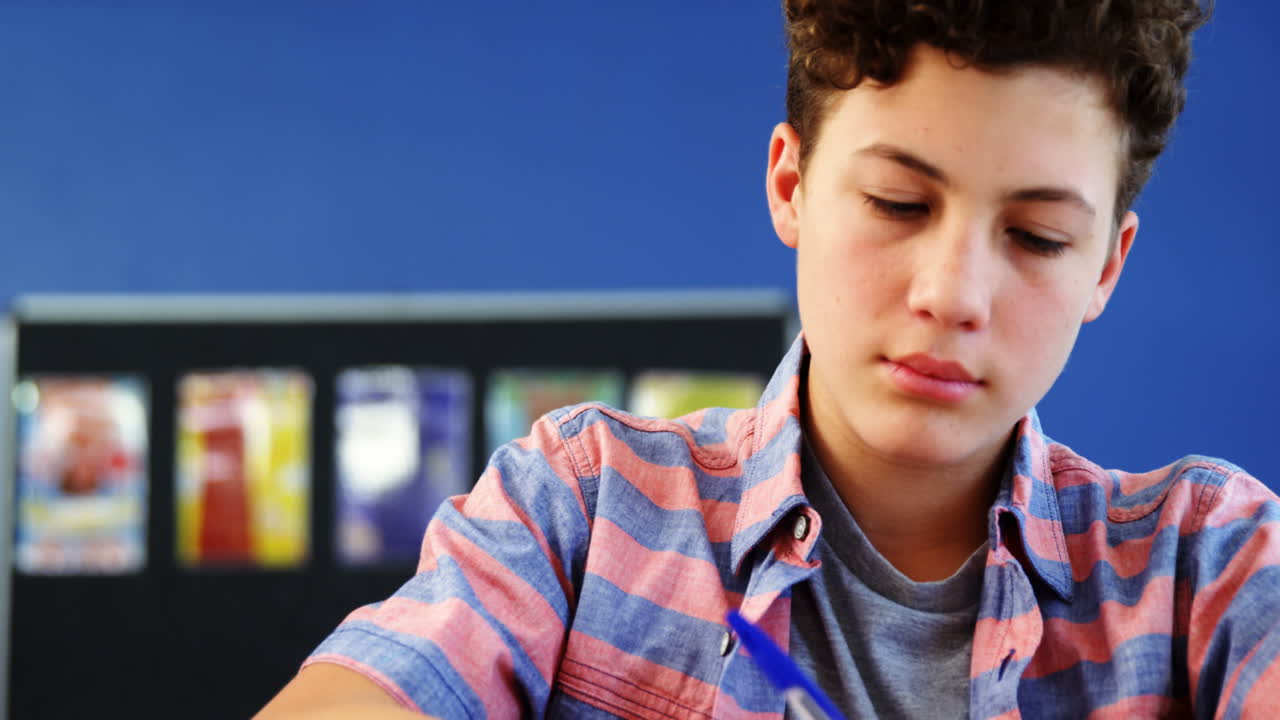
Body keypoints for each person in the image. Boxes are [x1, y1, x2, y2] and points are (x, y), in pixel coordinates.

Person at [258, 1, 1280, 717]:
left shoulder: (1207, 566)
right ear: (791, 186)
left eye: (1037, 237)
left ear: (1107, 265)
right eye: (897, 203)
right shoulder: (581, 509)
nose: (952, 295)